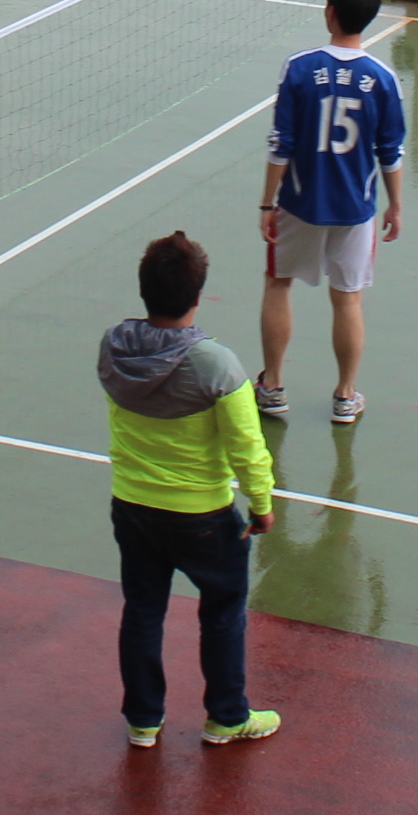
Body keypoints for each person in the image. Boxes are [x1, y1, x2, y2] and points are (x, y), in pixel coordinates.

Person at [100, 230, 282, 750]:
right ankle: (227, 717)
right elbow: (247, 446)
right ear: (198, 295)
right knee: (223, 611)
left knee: (142, 610)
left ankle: (143, 721)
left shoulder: (114, 347)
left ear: (144, 291)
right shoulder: (216, 365)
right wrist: (262, 504)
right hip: (202, 517)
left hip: (132, 506)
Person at [256, 0, 404, 428]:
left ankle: (273, 387)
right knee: (348, 299)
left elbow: (281, 144)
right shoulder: (383, 78)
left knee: (279, 284)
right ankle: (344, 395)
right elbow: (390, 152)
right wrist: (396, 205)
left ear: (330, 12)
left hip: (300, 203)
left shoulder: (300, 68)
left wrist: (267, 203)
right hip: (356, 210)